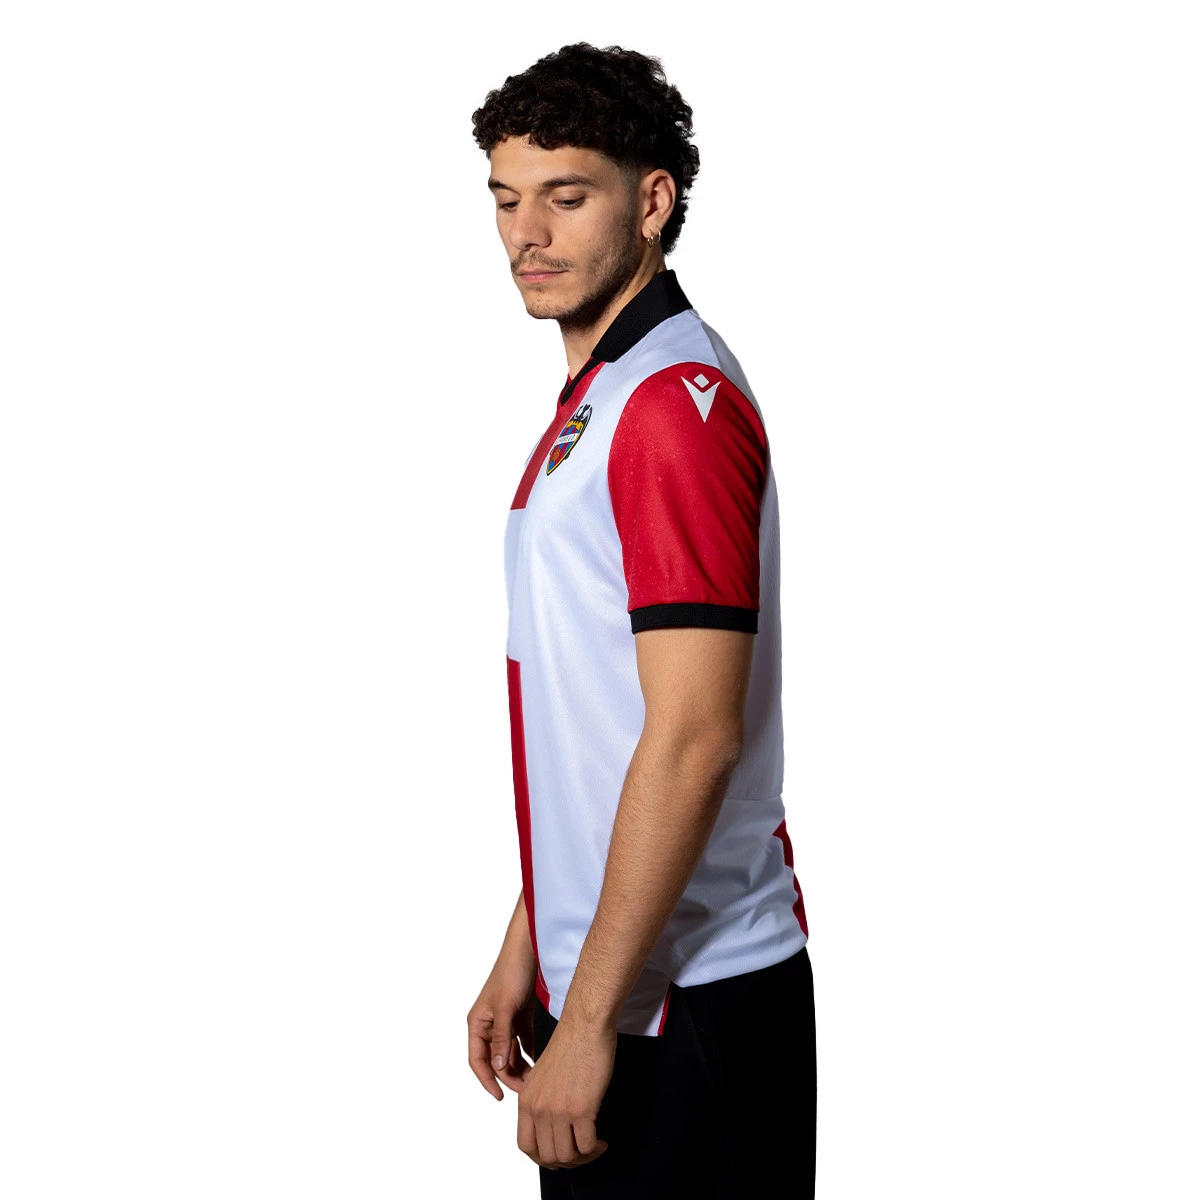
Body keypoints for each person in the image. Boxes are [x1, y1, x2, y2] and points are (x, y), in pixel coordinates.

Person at [465, 43, 817, 1199]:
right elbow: (600, 722)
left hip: (690, 1002)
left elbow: (696, 736)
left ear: (653, 201)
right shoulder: (603, 398)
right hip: (616, 986)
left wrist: (590, 1018)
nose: (527, 234)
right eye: (507, 199)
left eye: (566, 197)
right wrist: (530, 945)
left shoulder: (672, 405)